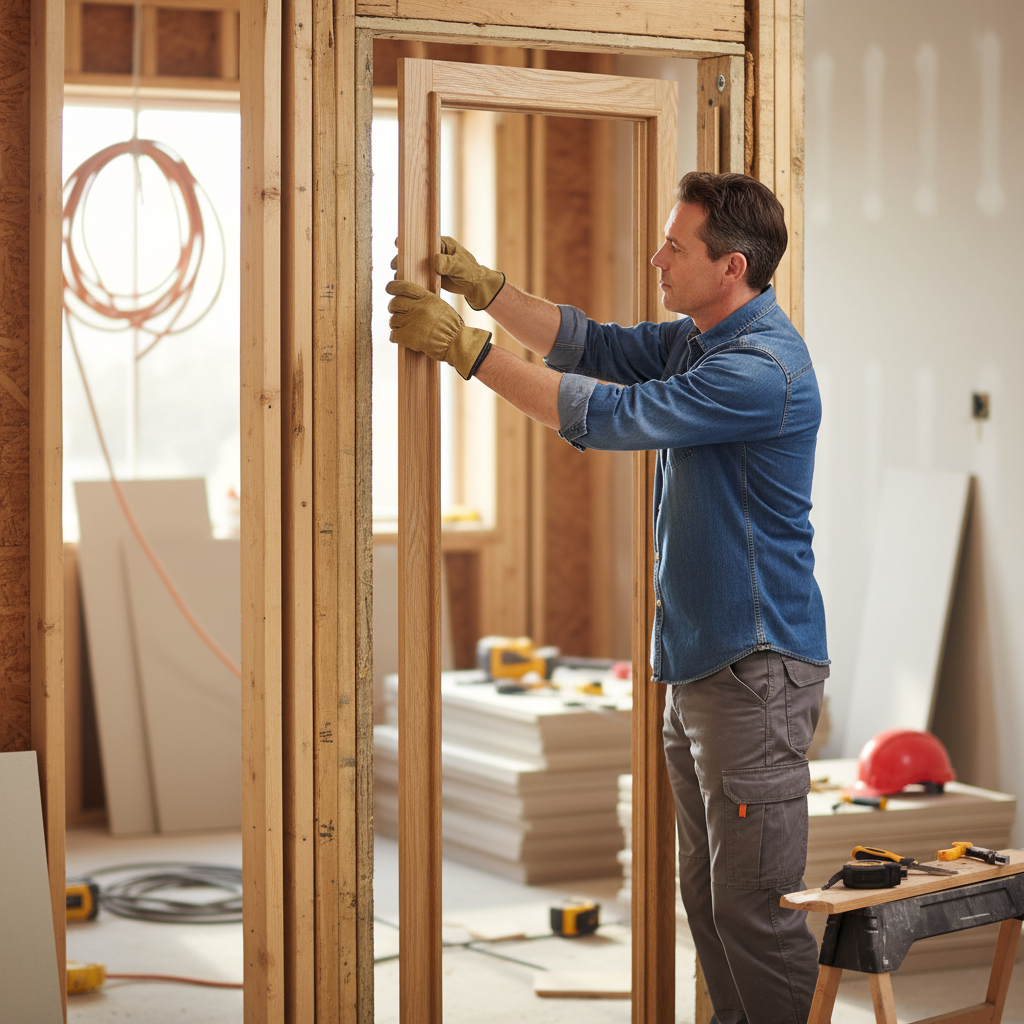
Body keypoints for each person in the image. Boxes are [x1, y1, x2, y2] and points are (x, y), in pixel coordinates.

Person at [386, 170, 829, 1024]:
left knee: (755, 910)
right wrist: (492, 292)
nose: (658, 257)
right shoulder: (702, 339)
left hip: (755, 670)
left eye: (676, 245)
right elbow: (593, 347)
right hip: (703, 665)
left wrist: (471, 353)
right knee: (707, 898)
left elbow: (612, 416)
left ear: (731, 266)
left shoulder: (761, 370)